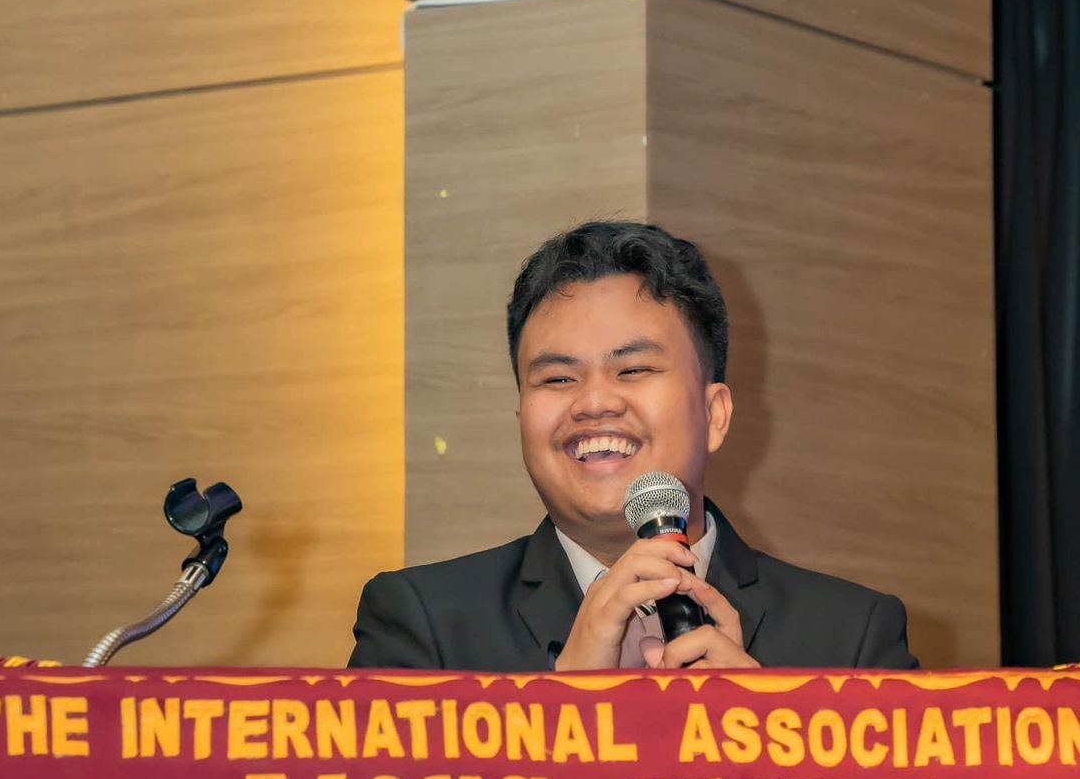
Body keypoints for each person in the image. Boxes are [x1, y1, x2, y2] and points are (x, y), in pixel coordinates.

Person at [350, 221, 916, 671]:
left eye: (634, 368)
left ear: (714, 414)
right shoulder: (423, 624)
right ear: (522, 417)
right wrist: (561, 711)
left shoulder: (851, 636)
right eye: (557, 379)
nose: (594, 403)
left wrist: (758, 741)